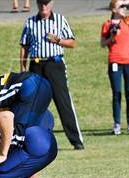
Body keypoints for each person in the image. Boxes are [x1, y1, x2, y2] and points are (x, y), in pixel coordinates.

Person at [20, 0, 84, 150]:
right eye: (41, 4)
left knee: (63, 101)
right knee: (33, 103)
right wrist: (22, 67)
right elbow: (24, 46)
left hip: (55, 65)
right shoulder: (30, 22)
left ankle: (76, 140)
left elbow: (73, 43)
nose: (44, 7)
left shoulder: (60, 20)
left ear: (52, 4)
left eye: (46, 4)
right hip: (36, 65)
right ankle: (28, 140)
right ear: (37, 4)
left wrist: (58, 40)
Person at [101, 0, 129, 135]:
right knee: (117, 93)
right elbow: (102, 43)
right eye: (121, 6)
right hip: (115, 62)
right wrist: (111, 36)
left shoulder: (128, 21)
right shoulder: (107, 24)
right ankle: (117, 124)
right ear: (113, 10)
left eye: (125, 6)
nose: (124, 8)